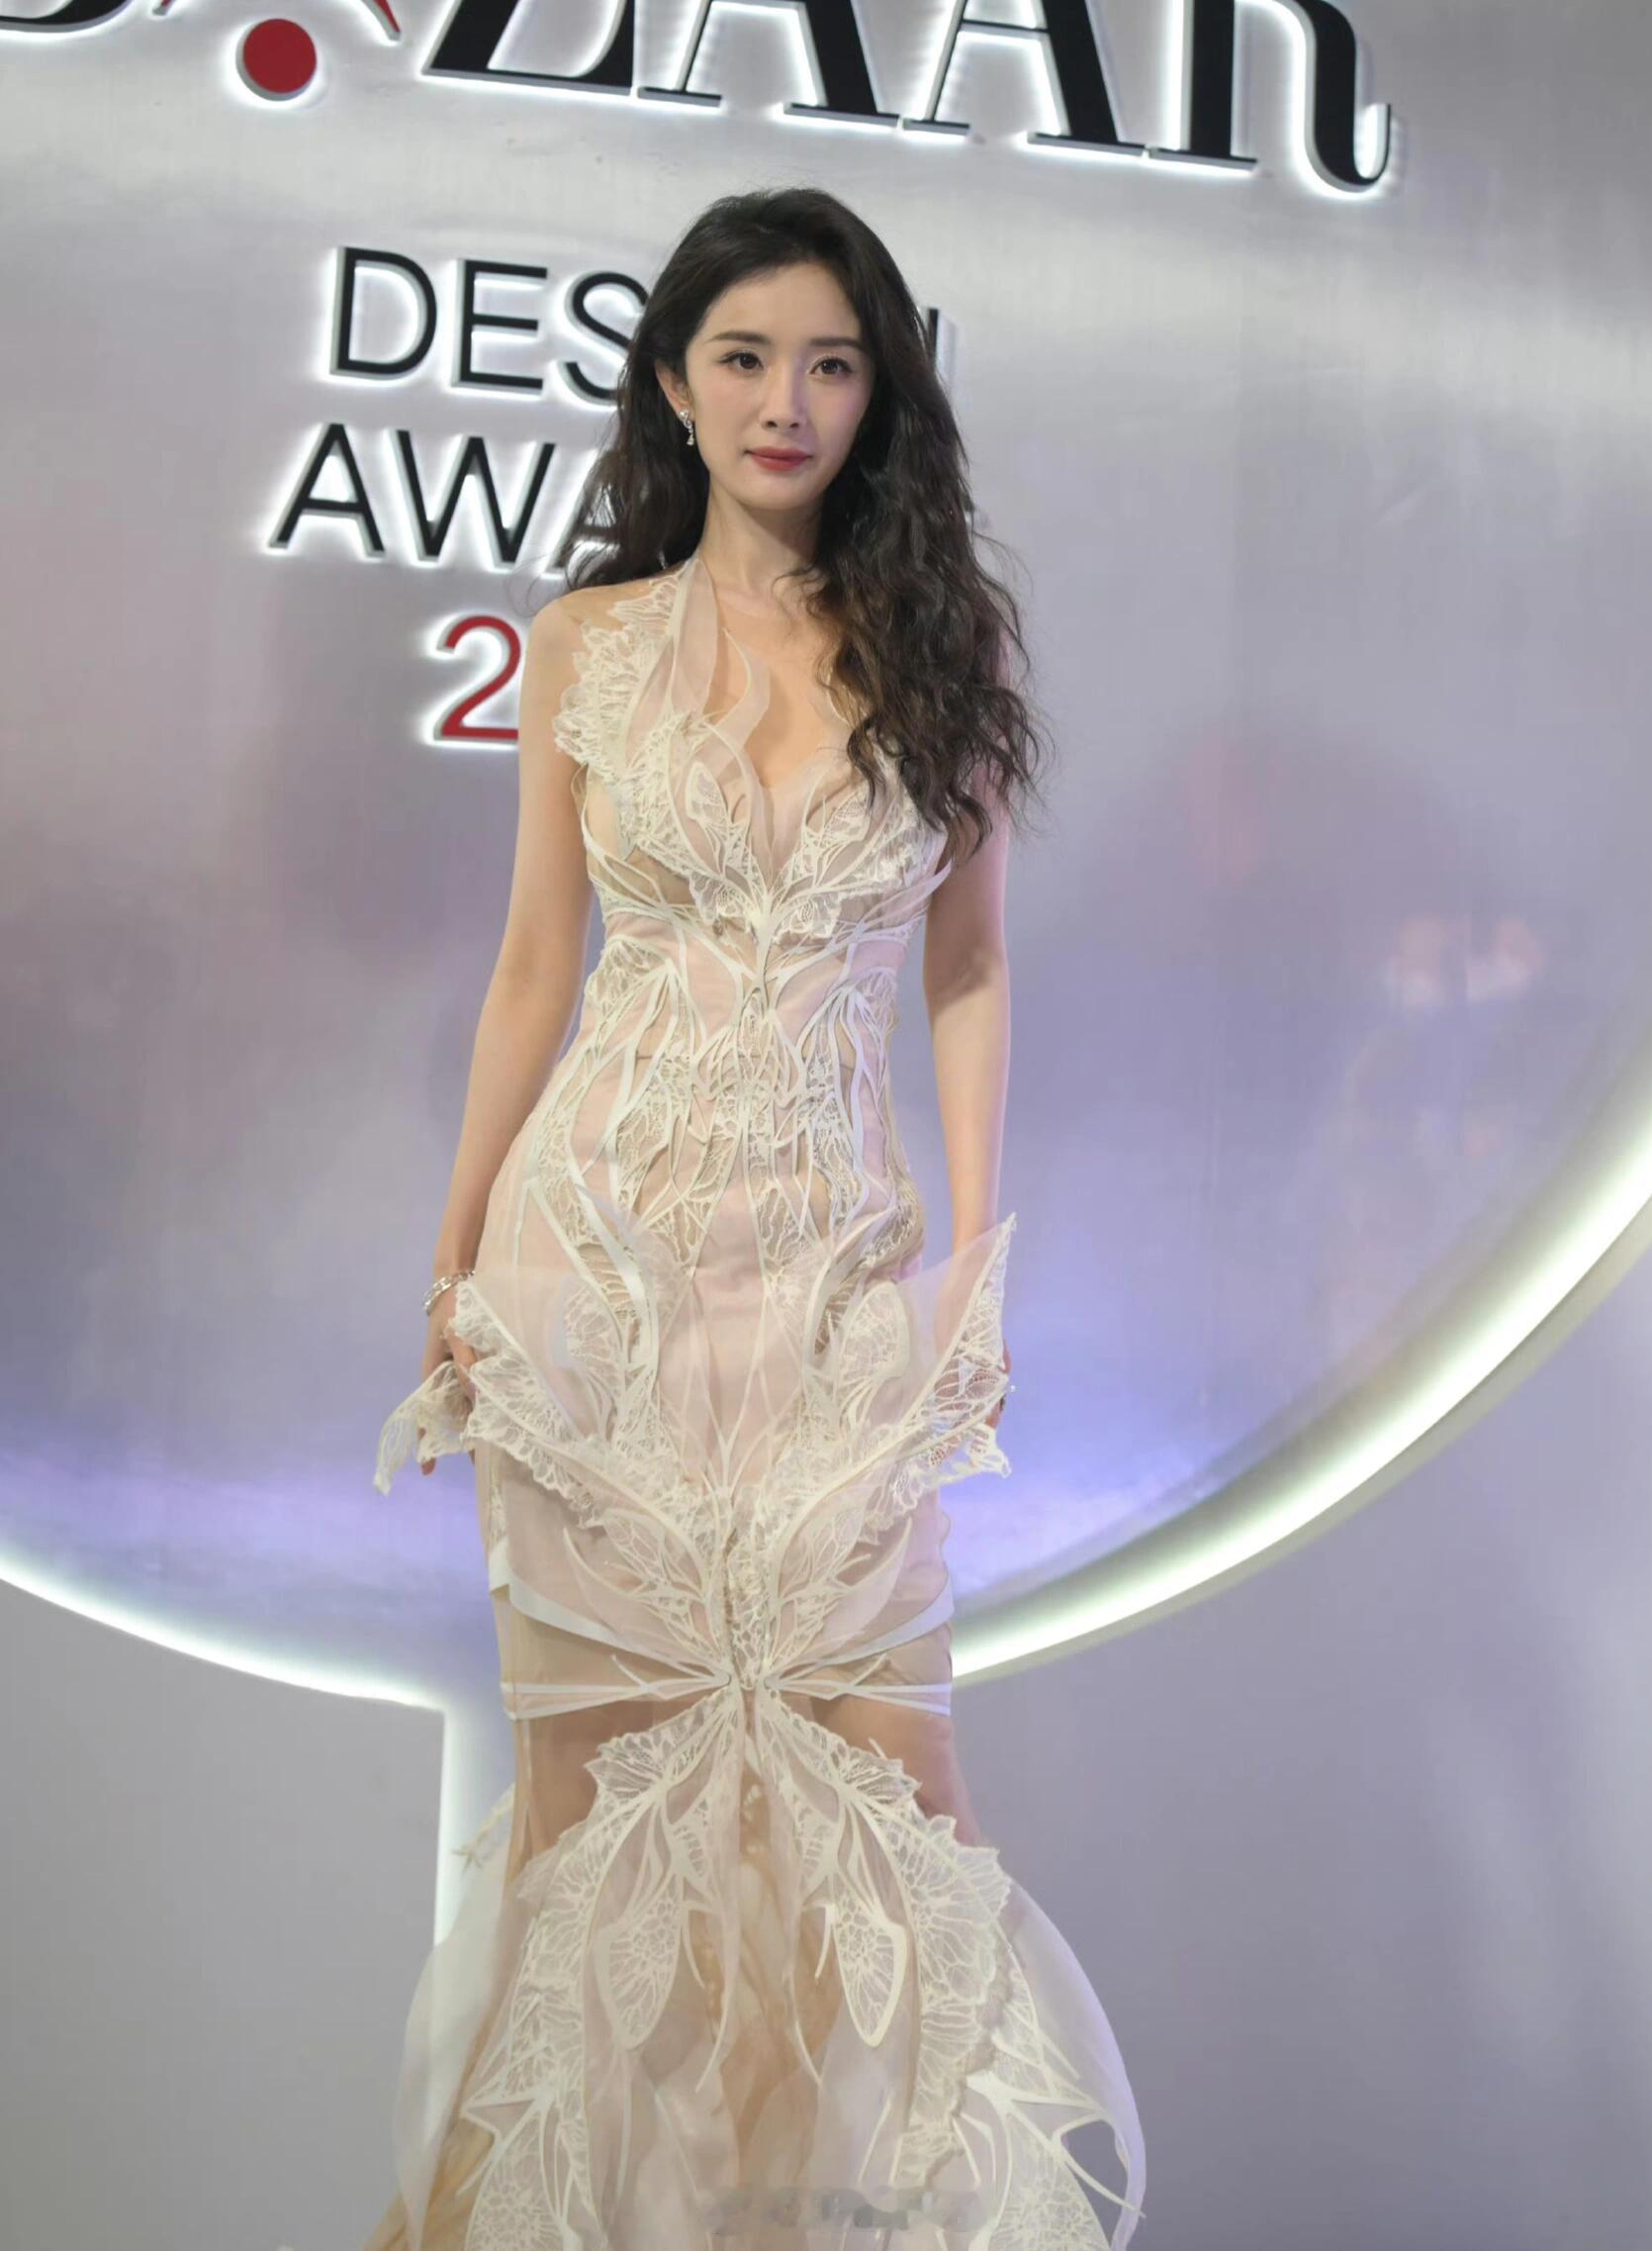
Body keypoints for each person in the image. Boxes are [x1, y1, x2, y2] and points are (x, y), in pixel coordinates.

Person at [364, 185, 1146, 2251]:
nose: (784, 399)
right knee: (588, 1825)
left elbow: (967, 966)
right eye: (743, 357)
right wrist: (452, 1264)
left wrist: (978, 1266)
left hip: (828, 1284)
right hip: (592, 1275)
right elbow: (532, 967)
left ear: (877, 394)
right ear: (672, 384)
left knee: (888, 1801)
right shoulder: (588, 644)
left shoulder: (940, 648)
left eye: (829, 362)